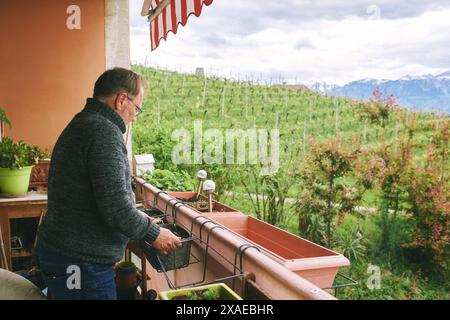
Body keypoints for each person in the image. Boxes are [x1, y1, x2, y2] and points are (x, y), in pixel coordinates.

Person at [35, 67, 181, 300]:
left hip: (66, 256)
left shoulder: (83, 122)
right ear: (122, 99)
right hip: (80, 263)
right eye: (137, 107)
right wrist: (154, 233)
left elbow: (101, 198)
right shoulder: (103, 132)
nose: (134, 115)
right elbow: (116, 208)